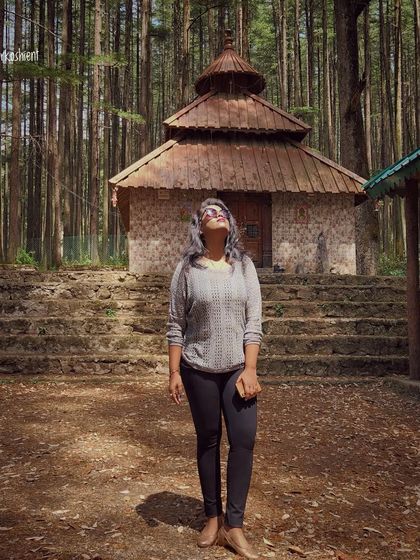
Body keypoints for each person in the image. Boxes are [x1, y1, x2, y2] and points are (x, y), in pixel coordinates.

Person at [166, 197, 263, 559]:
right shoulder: (187, 269)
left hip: (238, 368)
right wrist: (174, 372)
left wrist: (250, 369)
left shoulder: (244, 266)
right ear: (199, 225)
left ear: (230, 223)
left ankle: (233, 525)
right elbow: (176, 323)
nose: (216, 212)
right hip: (198, 369)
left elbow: (254, 321)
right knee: (208, 440)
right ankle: (212, 516)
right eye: (208, 210)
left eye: (221, 209)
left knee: (243, 439)